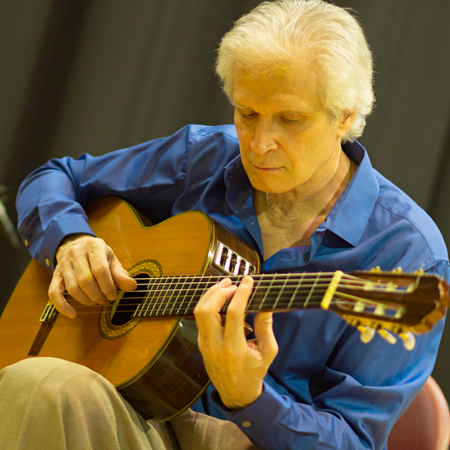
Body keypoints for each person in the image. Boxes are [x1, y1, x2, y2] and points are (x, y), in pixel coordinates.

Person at [1, 0, 448, 449]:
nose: (259, 144)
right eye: (247, 113)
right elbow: (58, 178)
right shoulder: (206, 157)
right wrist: (71, 240)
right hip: (137, 410)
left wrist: (250, 398)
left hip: (261, 440)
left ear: (345, 117)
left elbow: (354, 442)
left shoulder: (406, 252)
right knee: (42, 385)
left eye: (290, 120)